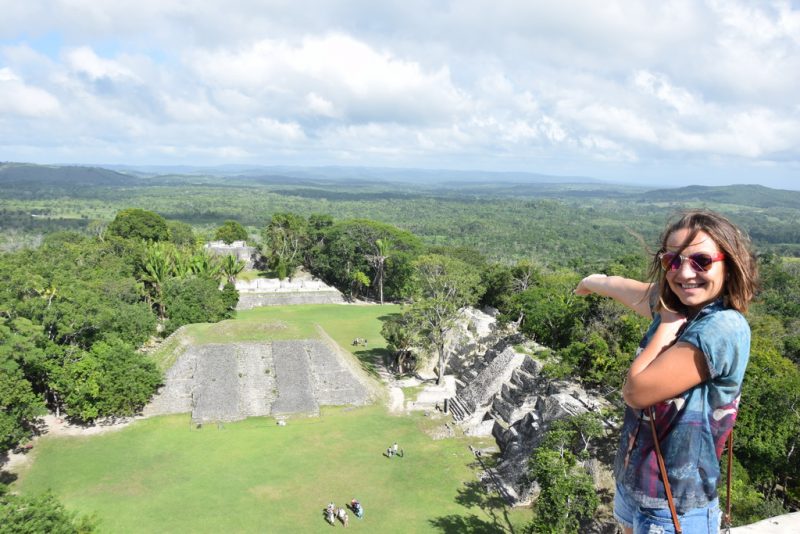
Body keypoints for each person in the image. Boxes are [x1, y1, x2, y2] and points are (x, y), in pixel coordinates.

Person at [574, 210, 758, 534]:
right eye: (673, 261)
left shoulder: (721, 328)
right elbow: (634, 292)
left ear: (728, 263)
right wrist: (594, 282)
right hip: (636, 486)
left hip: (675, 505)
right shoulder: (685, 306)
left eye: (701, 261)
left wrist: (665, 327)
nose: (685, 273)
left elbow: (635, 391)